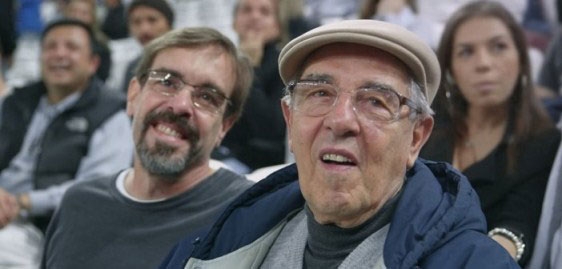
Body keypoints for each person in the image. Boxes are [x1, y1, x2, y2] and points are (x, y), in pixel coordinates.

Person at [160, 19, 519, 268]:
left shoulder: (476, 263)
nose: (341, 120)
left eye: (376, 101)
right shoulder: (211, 246)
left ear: (416, 137)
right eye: (319, 93)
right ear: (289, 120)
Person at [42, 26, 254, 269]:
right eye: (167, 82)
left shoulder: (246, 215)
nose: (180, 105)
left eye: (207, 97)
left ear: (225, 126)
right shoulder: (77, 205)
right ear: (133, 95)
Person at [420, 2, 561, 266]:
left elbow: (519, 224)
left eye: (498, 47)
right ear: (450, 70)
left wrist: (490, 255)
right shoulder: (425, 129)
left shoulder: (543, 142)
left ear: (521, 58)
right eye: (466, 52)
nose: (483, 64)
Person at [0, 18, 133, 268]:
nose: (59, 54)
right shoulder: (16, 102)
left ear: (93, 63)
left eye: (71, 47)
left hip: (46, 228)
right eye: (50, 47)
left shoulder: (111, 112)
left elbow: (96, 190)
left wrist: (22, 203)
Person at [121, 0, 174, 94]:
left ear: (169, 23)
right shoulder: (133, 68)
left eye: (152, 20)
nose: (144, 29)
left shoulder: (185, 63)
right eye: (136, 22)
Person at [62, 0, 112, 82]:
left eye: (83, 13)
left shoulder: (101, 47)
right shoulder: (56, 43)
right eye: (74, 11)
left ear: (92, 17)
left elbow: (102, 78)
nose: (77, 17)